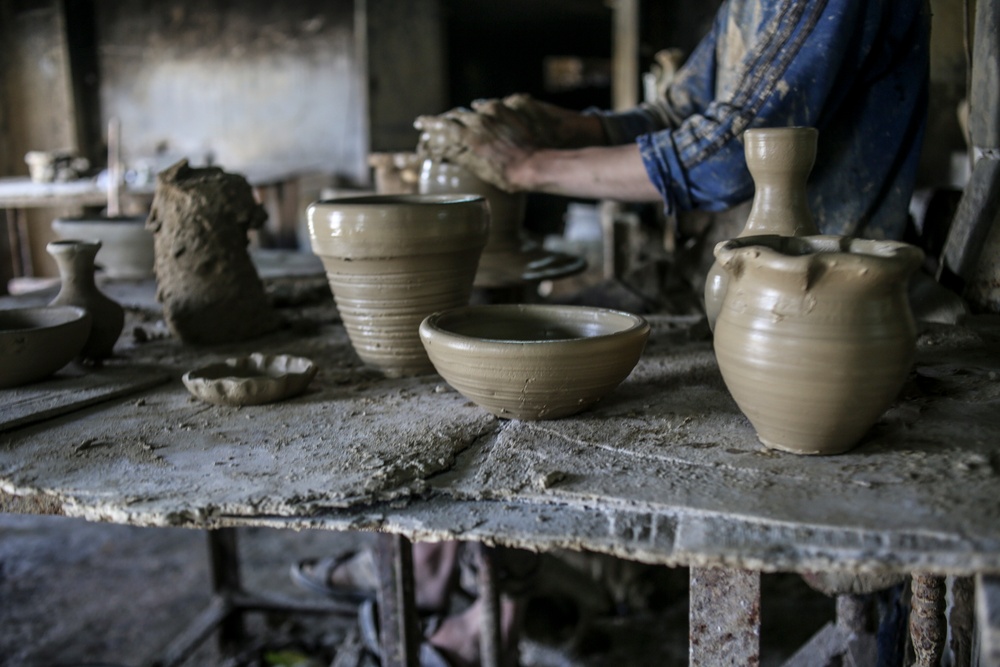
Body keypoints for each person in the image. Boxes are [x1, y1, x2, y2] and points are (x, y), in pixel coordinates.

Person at [295, 1, 932, 664]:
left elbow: (728, 154)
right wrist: (556, 125)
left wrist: (528, 167)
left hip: (821, 303)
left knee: (544, 372)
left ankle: (476, 587)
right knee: (511, 360)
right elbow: (675, 115)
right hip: (721, 276)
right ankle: (470, 585)